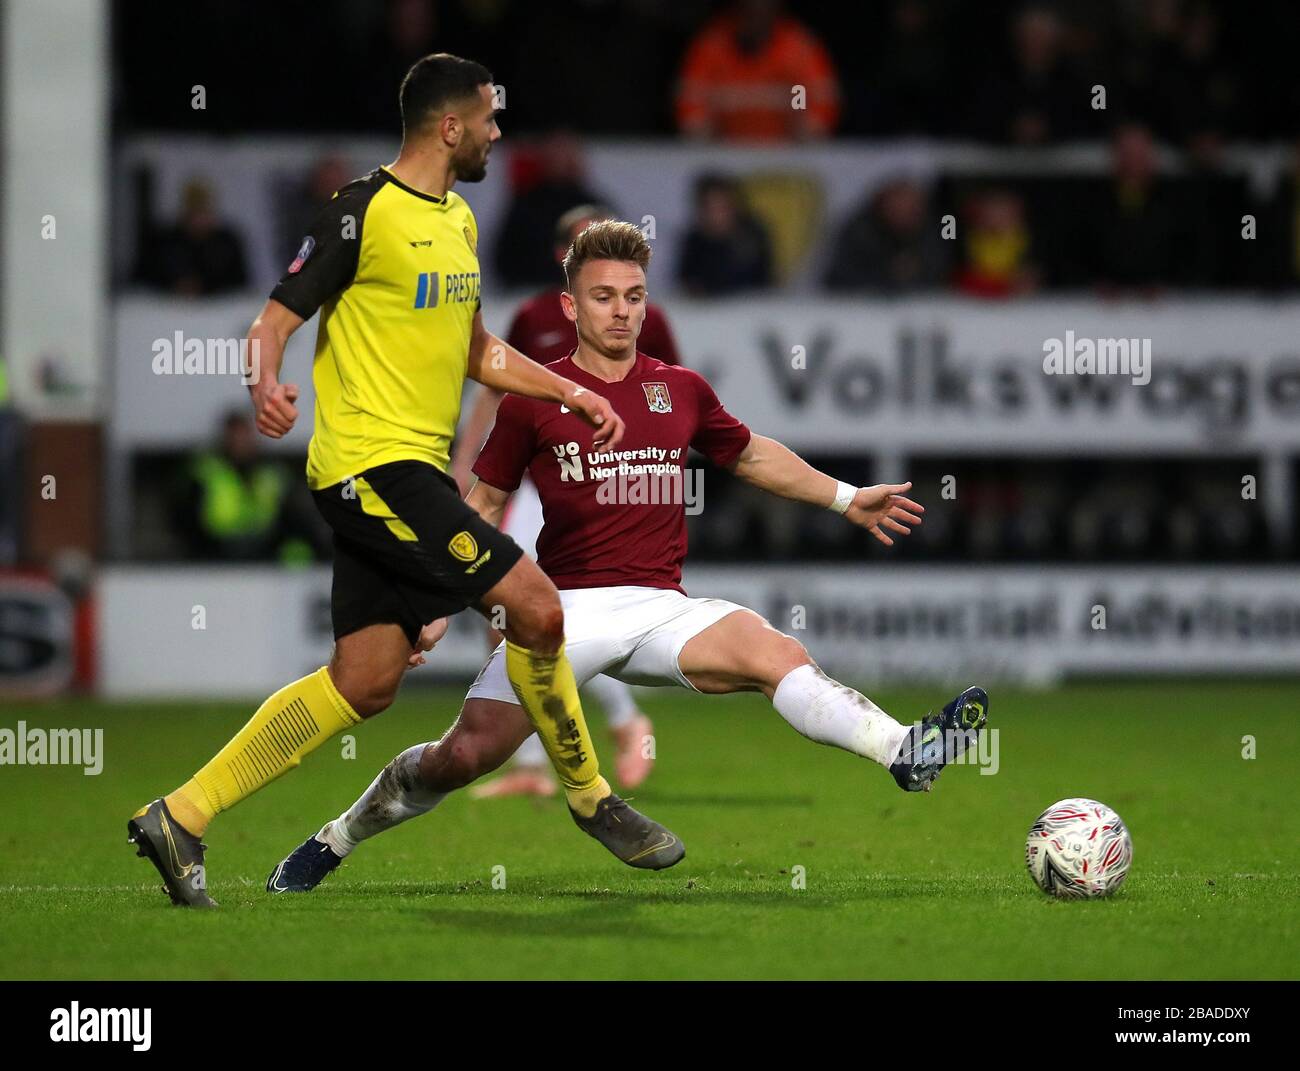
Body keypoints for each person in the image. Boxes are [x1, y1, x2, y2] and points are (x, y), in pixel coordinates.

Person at [267, 220, 989, 894]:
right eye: (604, 296)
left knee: (777, 652)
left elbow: (751, 454)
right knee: (461, 757)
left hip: (662, 608)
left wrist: (844, 497)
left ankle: (904, 750)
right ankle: (340, 834)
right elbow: (480, 510)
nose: (621, 311)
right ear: (570, 304)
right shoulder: (535, 401)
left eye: (635, 297)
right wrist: (429, 608)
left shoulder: (678, 389)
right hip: (562, 612)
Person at [127, 54, 684, 910]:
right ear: (450, 126)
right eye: (490, 119)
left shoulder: (458, 219)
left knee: (365, 680)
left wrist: (573, 390)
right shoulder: (361, 212)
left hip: (406, 473)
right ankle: (592, 799)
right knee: (536, 606)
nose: (500, 132)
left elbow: (479, 353)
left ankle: (182, 813)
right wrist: (265, 382)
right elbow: (273, 318)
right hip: (368, 467)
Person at [454, 203, 682, 799]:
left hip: (612, 482)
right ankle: (536, 761)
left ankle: (623, 724)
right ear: (564, 257)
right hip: (537, 481)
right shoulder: (533, 316)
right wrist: (464, 463)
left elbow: (670, 398)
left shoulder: (647, 320)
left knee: (558, 613)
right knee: (512, 611)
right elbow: (495, 393)